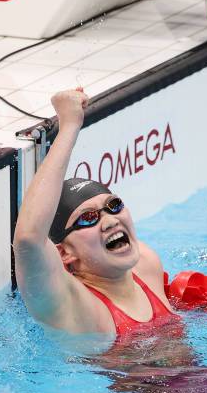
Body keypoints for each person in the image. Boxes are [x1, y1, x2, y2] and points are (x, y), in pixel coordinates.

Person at [13, 88, 179, 338]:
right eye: (88, 218)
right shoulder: (74, 309)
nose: (110, 221)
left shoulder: (146, 265)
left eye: (113, 205)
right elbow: (28, 238)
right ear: (64, 253)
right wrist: (69, 124)